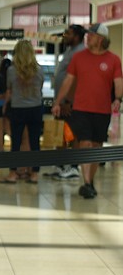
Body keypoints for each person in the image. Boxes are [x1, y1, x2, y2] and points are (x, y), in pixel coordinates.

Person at [52, 23, 123, 198]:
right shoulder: (79, 57)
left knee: (97, 146)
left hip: (102, 110)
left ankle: (90, 180)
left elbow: (118, 82)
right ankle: (86, 182)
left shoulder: (113, 59)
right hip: (81, 108)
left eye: (91, 35)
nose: (87, 37)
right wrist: (58, 102)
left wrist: (118, 99)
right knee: (85, 143)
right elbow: (68, 81)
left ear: (100, 39)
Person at [0, 40, 44, 184]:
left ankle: (13, 173)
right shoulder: (39, 70)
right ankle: (34, 173)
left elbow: (9, 89)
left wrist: (5, 106)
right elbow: (41, 87)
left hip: (18, 109)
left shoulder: (11, 71)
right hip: (35, 108)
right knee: (34, 141)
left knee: (16, 142)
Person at [49, 24, 86, 181]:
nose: (65, 35)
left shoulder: (80, 52)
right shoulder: (70, 50)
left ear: (77, 36)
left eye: (68, 33)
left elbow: (76, 79)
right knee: (61, 133)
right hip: (62, 100)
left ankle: (73, 167)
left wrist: (67, 101)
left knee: (73, 134)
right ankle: (61, 165)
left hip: (70, 102)